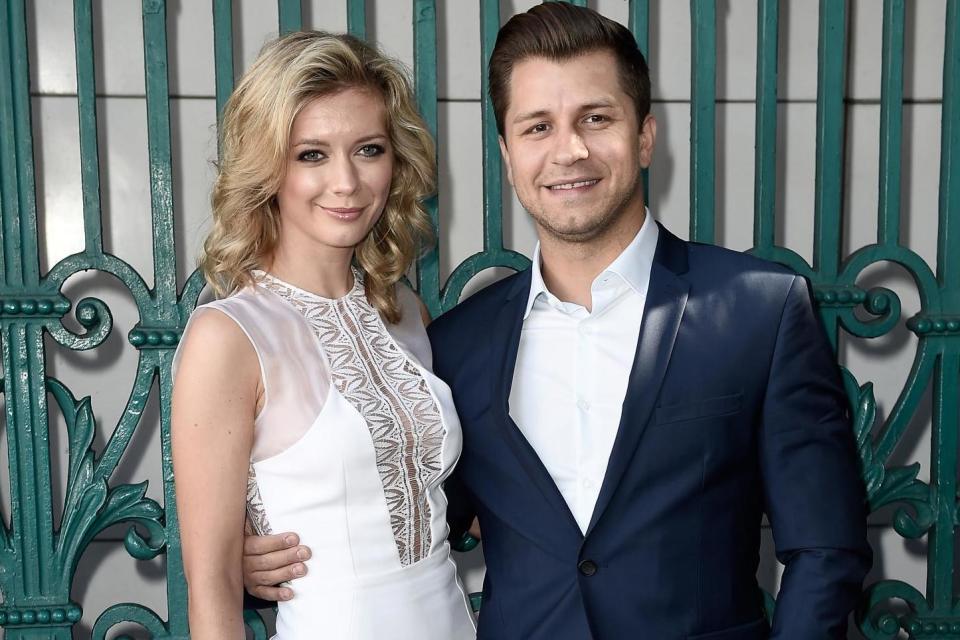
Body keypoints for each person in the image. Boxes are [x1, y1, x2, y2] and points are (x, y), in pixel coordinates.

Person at [243, 5, 871, 639]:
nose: (569, 150)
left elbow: (826, 550)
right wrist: (258, 557)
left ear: (646, 136)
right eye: (537, 127)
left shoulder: (761, 310)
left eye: (596, 119)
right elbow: (410, 502)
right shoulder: (458, 343)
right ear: (507, 153)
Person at [171, 30, 476, 640]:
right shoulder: (227, 337)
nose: (347, 183)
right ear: (268, 168)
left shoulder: (407, 312)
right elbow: (210, 594)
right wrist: (241, 561)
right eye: (312, 154)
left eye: (368, 149)